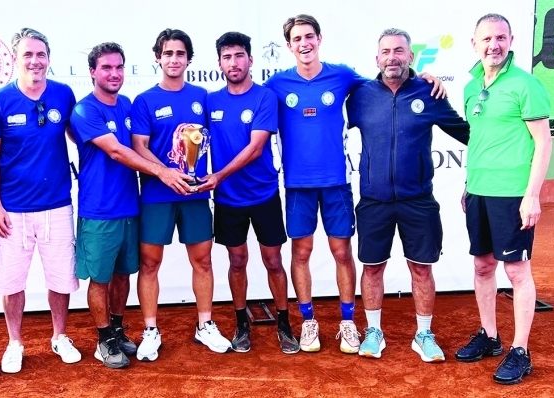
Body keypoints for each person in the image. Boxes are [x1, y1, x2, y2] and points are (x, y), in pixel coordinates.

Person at [265, 14, 445, 354]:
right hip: (299, 186)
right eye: (297, 39)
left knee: (342, 252)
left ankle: (348, 323)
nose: (304, 43)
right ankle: (308, 323)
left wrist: (423, 77)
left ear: (319, 39)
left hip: (336, 184)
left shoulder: (344, 75)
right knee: (301, 252)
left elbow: (389, 82)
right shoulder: (277, 84)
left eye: (309, 36)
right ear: (289, 46)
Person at [345, 28, 469, 362]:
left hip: (418, 200)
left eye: (399, 51)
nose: (392, 58)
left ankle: (423, 335)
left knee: (422, 269)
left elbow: (468, 134)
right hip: (373, 201)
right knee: (372, 269)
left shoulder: (429, 93)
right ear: (376, 58)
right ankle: (373, 331)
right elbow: (327, 123)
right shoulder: (359, 96)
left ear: (411, 57)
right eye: (385, 52)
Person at [70, 42, 193, 369]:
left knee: (123, 275)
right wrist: (164, 173)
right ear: (93, 72)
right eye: (106, 68)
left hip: (130, 207)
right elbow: (118, 152)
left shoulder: (127, 104)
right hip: (99, 212)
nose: (114, 73)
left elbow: (144, 145)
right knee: (100, 279)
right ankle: (103, 339)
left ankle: (118, 329)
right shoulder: (86, 110)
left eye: (119, 67)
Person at [454, 13, 553, 385]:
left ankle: (520, 350)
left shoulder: (526, 85)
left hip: (513, 194)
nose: (493, 45)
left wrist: (532, 195)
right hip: (479, 190)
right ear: (474, 43)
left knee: (515, 271)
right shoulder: (470, 86)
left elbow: (543, 143)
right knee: (482, 266)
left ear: (511, 40)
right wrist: (469, 183)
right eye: (486, 39)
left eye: (500, 38)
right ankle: (490, 336)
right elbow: (480, 138)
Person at [0, 28, 82, 374]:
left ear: (49, 59)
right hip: (13, 208)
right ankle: (15, 342)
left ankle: (59, 336)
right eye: (27, 54)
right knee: (12, 282)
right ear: (14, 59)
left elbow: (80, 137)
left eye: (40, 54)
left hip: (57, 204)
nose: (35, 61)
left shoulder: (64, 94)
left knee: (60, 278)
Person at [131, 28, 232, 361]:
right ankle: (150, 330)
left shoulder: (202, 96)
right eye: (167, 53)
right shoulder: (144, 100)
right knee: (150, 263)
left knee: (202, 260)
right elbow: (139, 147)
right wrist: (166, 173)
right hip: (158, 195)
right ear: (157, 57)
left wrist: (210, 175)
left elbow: (214, 138)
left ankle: (205, 325)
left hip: (195, 195)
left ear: (189, 58)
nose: (174, 59)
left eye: (180, 53)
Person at [200, 32, 299, 354]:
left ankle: (284, 323)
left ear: (250, 60)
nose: (233, 63)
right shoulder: (210, 101)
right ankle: (241, 322)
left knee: (273, 261)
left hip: (264, 195)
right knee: (237, 260)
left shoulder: (264, 97)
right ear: (219, 63)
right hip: (228, 200)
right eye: (227, 57)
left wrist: (218, 175)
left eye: (239, 56)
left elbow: (256, 148)